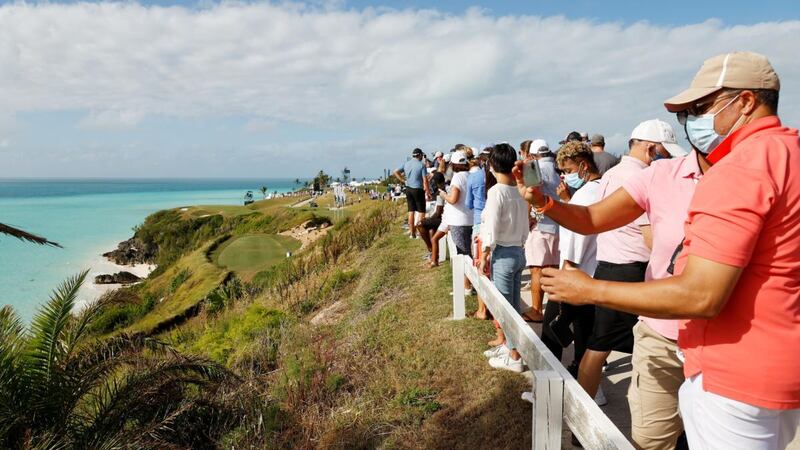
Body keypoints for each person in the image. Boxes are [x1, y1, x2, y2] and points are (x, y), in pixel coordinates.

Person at [537, 52, 800, 450]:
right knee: (654, 432)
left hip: (729, 367)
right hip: (768, 359)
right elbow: (592, 218)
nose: (693, 121)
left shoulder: (739, 169)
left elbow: (701, 294)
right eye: (686, 114)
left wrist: (589, 289)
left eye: (700, 107)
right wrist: (548, 204)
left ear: (745, 101)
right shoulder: (787, 154)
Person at [577, 119, 675, 411]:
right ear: (650, 149)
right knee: (655, 343)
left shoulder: (612, 173)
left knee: (598, 345)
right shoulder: (644, 178)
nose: (666, 159)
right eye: (665, 152)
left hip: (608, 264)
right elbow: (651, 238)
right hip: (633, 270)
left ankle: (581, 416)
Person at [540, 141, 602, 375]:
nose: (565, 177)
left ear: (583, 165)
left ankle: (549, 385)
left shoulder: (584, 196)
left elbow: (576, 238)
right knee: (585, 334)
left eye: (567, 171)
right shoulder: (603, 188)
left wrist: (564, 274)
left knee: (551, 333)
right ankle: (591, 388)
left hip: (574, 272)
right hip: (594, 273)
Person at [477, 143, 530, 373]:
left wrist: (485, 254)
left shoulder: (496, 191)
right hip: (519, 251)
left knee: (505, 310)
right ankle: (511, 348)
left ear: (492, 165)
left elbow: (491, 226)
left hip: (504, 254)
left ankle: (515, 356)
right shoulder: (519, 190)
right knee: (514, 307)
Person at [522, 139, 561, 323]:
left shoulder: (533, 167)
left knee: (537, 269)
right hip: (559, 224)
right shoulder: (557, 167)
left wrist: (528, 218)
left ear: (532, 153)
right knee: (553, 270)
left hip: (541, 224)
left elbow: (531, 194)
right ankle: (554, 312)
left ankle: (537, 310)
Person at [466, 147, 491, 319]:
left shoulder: (473, 177)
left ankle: (483, 310)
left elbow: (469, 203)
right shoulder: (495, 176)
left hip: (479, 221)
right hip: (499, 222)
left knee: (480, 266)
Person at [394, 148, 430, 239]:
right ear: (420, 155)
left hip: (408, 189)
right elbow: (425, 180)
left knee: (411, 211)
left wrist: (403, 180)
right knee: (421, 211)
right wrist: (428, 191)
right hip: (418, 189)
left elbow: (395, 171)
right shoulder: (421, 165)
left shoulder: (407, 163)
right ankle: (419, 232)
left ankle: (412, 233)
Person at [418, 172, 447, 266]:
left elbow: (438, 212)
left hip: (442, 219)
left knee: (420, 224)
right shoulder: (445, 188)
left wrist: (428, 219)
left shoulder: (440, 191)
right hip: (444, 218)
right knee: (430, 229)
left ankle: (431, 249)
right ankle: (434, 254)